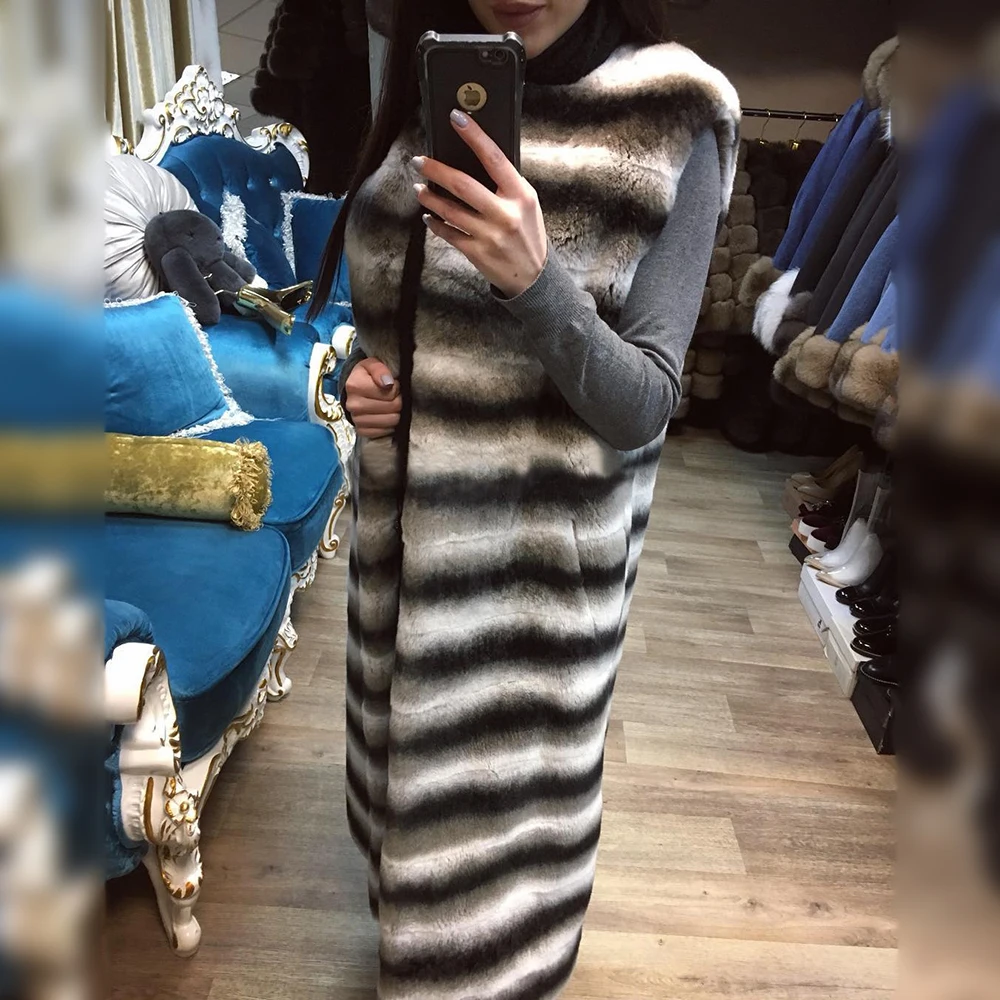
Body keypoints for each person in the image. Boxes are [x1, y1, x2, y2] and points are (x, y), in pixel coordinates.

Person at [310, 1, 739, 995]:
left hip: (531, 588)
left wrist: (536, 280)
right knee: (414, 842)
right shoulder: (430, 76)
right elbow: (394, 315)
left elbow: (645, 404)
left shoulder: (674, 114)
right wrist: (361, 384)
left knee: (496, 882)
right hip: (406, 563)